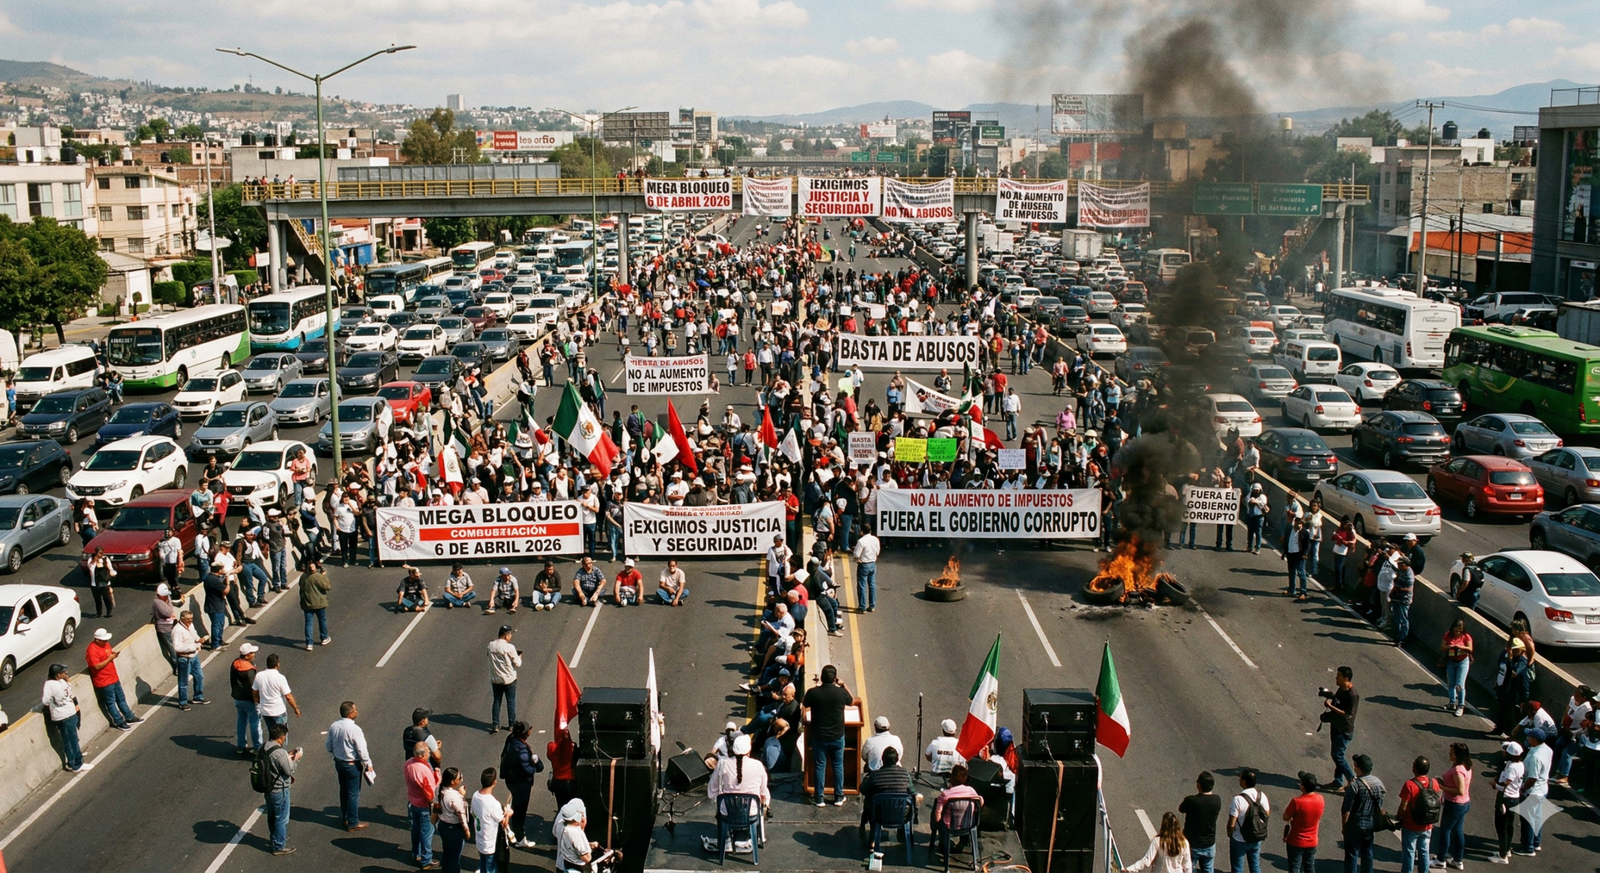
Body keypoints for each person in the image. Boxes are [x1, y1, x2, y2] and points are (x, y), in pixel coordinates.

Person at [802, 664, 859, 807]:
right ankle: (839, 797)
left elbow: (804, 704)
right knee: (838, 766)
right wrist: (843, 684)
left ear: (821, 678)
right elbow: (851, 700)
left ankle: (819, 798)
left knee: (819, 766)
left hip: (819, 737)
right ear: (835, 678)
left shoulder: (813, 692)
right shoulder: (841, 693)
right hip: (837, 737)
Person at [499, 721, 544, 849]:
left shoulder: (511, 738)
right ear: (525, 733)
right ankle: (519, 839)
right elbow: (528, 770)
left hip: (510, 779)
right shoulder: (522, 750)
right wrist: (536, 763)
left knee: (516, 807)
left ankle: (514, 829)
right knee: (520, 811)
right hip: (521, 784)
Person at [85, 627, 138, 731]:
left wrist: (112, 655)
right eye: (104, 640)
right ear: (97, 640)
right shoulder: (92, 650)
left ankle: (129, 717)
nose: (106, 641)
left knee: (121, 698)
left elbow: (108, 654)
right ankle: (119, 721)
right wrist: (110, 658)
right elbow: (96, 666)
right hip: (104, 681)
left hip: (113, 677)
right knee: (111, 702)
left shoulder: (105, 644)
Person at [261, 721, 301, 856]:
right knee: (282, 817)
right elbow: (289, 770)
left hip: (268, 787)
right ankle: (279, 845)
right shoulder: (279, 752)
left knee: (272, 815)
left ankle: (275, 836)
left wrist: (287, 756)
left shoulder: (265, 747)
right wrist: (296, 759)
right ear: (281, 737)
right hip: (280, 789)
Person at [1340, 754, 1385, 873]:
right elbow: (1380, 805)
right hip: (1370, 825)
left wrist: (1344, 827)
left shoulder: (1355, 785)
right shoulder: (1378, 783)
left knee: (1352, 854)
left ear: (1357, 768)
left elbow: (1346, 809)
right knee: (1367, 852)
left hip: (1356, 825)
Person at [1396, 755, 1439, 873]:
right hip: (1427, 824)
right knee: (1424, 851)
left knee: (1409, 851)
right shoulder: (1434, 783)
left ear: (1414, 769)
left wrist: (1398, 817)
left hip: (1411, 824)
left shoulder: (1409, 785)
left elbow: (1403, 805)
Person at [860, 745, 919, 830]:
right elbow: (913, 792)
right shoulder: (905, 774)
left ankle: (869, 832)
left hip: (880, 816)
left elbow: (863, 790)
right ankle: (903, 833)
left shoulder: (875, 775)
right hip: (902, 816)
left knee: (869, 796)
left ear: (882, 760)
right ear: (897, 760)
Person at [1434, 743, 1471, 871]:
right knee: (1458, 831)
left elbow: (1459, 790)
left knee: (1445, 831)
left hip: (1454, 804)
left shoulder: (1457, 770)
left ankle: (1440, 859)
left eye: (1451, 752)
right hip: (1463, 803)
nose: (1449, 754)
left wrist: (1441, 786)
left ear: (1458, 755)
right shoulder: (1466, 766)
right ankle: (1457, 860)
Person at [1321, 666, 1358, 791]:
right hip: (1336, 726)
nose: (1336, 678)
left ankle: (1352, 780)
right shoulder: (1341, 689)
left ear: (1346, 678)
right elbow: (1337, 701)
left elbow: (1347, 713)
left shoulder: (1353, 695)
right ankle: (1338, 781)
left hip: (1343, 730)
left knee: (1338, 756)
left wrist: (1330, 707)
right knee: (1338, 754)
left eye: (1338, 676)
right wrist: (1330, 696)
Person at [404, 741, 440, 869]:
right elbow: (430, 794)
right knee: (427, 832)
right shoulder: (424, 770)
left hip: (413, 802)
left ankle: (416, 853)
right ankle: (426, 859)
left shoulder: (408, 763)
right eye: (429, 752)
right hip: (425, 806)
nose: (430, 754)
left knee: (416, 829)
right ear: (423, 756)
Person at [1225, 769, 1269, 873]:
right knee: (1255, 866)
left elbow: (1231, 823)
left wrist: (1230, 833)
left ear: (1244, 782)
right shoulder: (1262, 796)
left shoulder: (1238, 799)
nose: (1239, 780)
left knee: (1237, 868)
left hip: (1239, 839)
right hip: (1256, 837)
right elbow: (1267, 814)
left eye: (1240, 778)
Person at [42, 663, 83, 771]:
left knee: (70, 739)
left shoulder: (61, 682)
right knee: (71, 740)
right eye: (63, 672)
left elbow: (70, 694)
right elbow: (45, 701)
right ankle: (76, 763)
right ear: (58, 675)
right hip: (65, 716)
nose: (66, 673)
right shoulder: (51, 685)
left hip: (66, 715)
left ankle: (75, 760)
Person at [471, 768, 512, 873]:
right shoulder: (493, 804)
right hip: (490, 843)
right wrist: (508, 813)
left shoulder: (475, 796)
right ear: (494, 783)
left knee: (483, 864)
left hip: (479, 839)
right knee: (491, 869)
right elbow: (504, 822)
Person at [1179, 771, 1221, 873]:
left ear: (1199, 785)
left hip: (1192, 843)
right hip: (1209, 843)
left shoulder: (1192, 801)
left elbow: (1181, 808)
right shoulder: (1217, 800)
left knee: (1189, 868)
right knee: (1208, 868)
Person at [1518, 728, 1551, 856]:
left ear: (1534, 740)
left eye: (1529, 737)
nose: (1527, 738)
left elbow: (1533, 778)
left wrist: (1523, 789)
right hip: (1542, 789)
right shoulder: (1546, 749)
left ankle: (1527, 847)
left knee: (1527, 820)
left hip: (1532, 792)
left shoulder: (1536, 757)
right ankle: (1536, 842)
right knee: (1537, 818)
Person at [1124, 811, 1192, 873]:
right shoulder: (1184, 842)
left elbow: (1146, 860)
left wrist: (1130, 869)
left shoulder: (1158, 841)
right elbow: (1187, 865)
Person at [1554, 685, 1596, 786]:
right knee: (1558, 744)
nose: (1575, 694)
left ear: (1584, 697)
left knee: (1567, 753)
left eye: (1578, 693)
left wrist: (1575, 734)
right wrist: (1563, 723)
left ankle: (1565, 776)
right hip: (1568, 730)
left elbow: (1585, 726)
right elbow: (1567, 710)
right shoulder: (1573, 699)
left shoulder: (1587, 708)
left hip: (1579, 734)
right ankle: (1558, 772)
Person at [1281, 772, 1322, 873]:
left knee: (1295, 867)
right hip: (1312, 841)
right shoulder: (1320, 799)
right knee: (1309, 866)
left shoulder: (1297, 801)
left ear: (1302, 786)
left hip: (1296, 841)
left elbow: (1285, 817)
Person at [1491, 741, 1525, 864]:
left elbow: (1505, 785)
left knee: (1501, 827)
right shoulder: (1519, 764)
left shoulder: (1512, 768)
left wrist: (1494, 785)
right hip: (1515, 798)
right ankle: (1506, 849)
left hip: (1506, 798)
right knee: (1509, 825)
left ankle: (1502, 856)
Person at [931, 764, 982, 844]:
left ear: (951, 778)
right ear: (965, 779)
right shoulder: (971, 791)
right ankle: (964, 841)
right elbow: (980, 802)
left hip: (949, 826)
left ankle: (943, 842)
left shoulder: (946, 794)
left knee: (936, 807)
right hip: (968, 824)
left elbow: (938, 816)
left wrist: (938, 824)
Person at [171, 609, 210, 710]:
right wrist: (195, 646)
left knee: (199, 676)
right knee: (183, 682)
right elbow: (177, 647)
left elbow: (194, 635)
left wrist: (198, 639)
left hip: (194, 657)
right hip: (184, 658)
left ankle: (198, 696)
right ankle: (183, 702)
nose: (190, 621)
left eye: (191, 618)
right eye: (188, 619)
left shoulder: (191, 625)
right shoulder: (177, 630)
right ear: (182, 618)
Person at [437, 767, 472, 873]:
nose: (460, 779)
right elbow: (461, 814)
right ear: (452, 781)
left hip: (442, 825)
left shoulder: (440, 790)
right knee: (454, 858)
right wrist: (466, 830)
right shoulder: (455, 797)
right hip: (454, 829)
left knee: (447, 852)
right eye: (458, 777)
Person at [253, 652, 301, 729]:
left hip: (265, 711)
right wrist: (296, 708)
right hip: (278, 711)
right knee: (281, 735)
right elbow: (288, 696)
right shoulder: (280, 678)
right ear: (277, 664)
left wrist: (258, 700)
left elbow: (255, 691)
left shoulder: (259, 675)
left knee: (272, 734)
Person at [230, 642, 263, 754]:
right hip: (248, 700)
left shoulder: (235, 663)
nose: (254, 654)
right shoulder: (248, 670)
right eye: (252, 653)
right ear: (247, 655)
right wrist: (257, 699)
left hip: (237, 698)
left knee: (241, 721)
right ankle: (257, 747)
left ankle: (241, 746)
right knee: (255, 722)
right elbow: (253, 686)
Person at [488, 625, 521, 733]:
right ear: (506, 636)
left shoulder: (491, 645)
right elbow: (517, 663)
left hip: (496, 678)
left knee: (497, 701)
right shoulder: (509, 647)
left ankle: (495, 724)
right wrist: (519, 657)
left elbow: (488, 655)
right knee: (510, 701)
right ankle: (511, 725)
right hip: (509, 678)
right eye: (510, 634)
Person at [1439, 619, 1473, 717]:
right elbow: (1442, 647)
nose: (1458, 632)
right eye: (1456, 630)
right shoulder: (1448, 635)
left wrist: (1461, 647)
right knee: (1451, 684)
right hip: (1451, 661)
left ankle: (1461, 705)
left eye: (1460, 631)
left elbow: (1470, 649)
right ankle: (1451, 703)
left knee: (1460, 685)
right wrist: (1450, 646)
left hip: (1463, 661)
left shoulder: (1466, 636)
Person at [554, 798, 597, 873]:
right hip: (576, 867)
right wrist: (590, 850)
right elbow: (587, 858)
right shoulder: (576, 834)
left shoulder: (561, 825)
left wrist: (588, 845)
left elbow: (555, 833)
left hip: (565, 863)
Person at [299, 557, 331, 651]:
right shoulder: (317, 577)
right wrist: (323, 576)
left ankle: (309, 643)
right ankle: (324, 637)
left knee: (308, 623)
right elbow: (327, 586)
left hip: (307, 604)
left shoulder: (303, 577)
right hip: (319, 604)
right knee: (322, 620)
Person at [852, 525, 880, 612]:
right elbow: (877, 551)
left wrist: (857, 559)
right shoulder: (875, 539)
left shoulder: (861, 541)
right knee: (872, 585)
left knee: (862, 586)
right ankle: (872, 605)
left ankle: (862, 607)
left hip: (864, 565)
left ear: (862, 531)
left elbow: (856, 554)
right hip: (872, 564)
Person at [86, 547, 117, 617]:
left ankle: (109, 612)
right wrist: (96, 562)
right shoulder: (91, 560)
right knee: (97, 600)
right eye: (100, 553)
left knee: (107, 599)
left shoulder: (105, 559)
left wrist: (112, 574)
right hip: (94, 584)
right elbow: (90, 569)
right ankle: (99, 613)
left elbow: (110, 568)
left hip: (105, 584)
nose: (101, 555)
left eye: (102, 553)